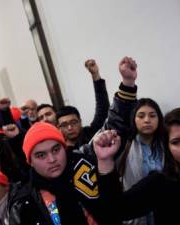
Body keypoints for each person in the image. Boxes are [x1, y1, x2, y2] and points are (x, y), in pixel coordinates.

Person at [8, 56, 139, 225]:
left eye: (56, 150)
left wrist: (128, 82)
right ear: (30, 161)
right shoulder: (24, 202)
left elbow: (115, 125)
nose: (52, 159)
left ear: (64, 147)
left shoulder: (81, 162)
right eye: (41, 155)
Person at [102, 107, 180, 225]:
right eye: (176, 142)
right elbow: (115, 210)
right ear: (167, 147)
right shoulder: (160, 183)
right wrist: (105, 160)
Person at [116, 98, 166, 225]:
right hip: (136, 218)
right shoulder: (123, 145)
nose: (147, 120)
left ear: (159, 118)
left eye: (152, 115)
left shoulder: (167, 145)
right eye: (141, 116)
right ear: (133, 119)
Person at [56, 59, 110, 150]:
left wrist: (95, 75)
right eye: (64, 125)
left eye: (73, 122)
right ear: (59, 128)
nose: (70, 128)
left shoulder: (91, 134)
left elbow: (102, 107)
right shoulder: (58, 149)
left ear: (80, 122)